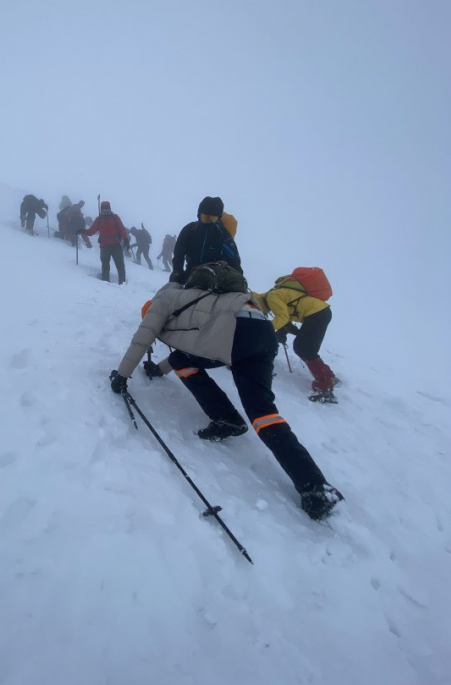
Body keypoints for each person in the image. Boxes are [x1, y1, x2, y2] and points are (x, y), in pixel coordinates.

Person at [108, 275, 343, 520]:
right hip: (261, 332)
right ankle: (315, 488)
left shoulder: (161, 303)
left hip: (236, 336)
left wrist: (122, 376)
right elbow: (190, 349)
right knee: (263, 413)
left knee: (184, 361)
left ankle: (227, 417)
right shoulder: (196, 295)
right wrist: (158, 369)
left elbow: (142, 338)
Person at [253, 280, 336, 400]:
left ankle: (325, 388)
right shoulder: (275, 294)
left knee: (304, 349)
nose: (263, 313)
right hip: (319, 312)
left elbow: (283, 317)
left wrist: (264, 331)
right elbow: (287, 313)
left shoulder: (272, 296)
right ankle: (329, 376)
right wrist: (284, 330)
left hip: (317, 313)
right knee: (304, 348)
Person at [170, 196, 242, 283]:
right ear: (199, 215)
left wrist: (238, 279)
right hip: (190, 274)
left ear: (218, 219)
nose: (208, 222)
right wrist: (177, 272)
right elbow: (178, 254)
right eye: (205, 218)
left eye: (213, 219)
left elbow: (234, 261)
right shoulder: (189, 230)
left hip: (215, 279)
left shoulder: (223, 236)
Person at [82, 200, 130, 284]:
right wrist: (82, 231)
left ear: (110, 208)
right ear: (101, 209)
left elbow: (122, 229)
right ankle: (106, 283)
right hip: (107, 246)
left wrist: (126, 239)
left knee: (118, 265)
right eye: (104, 208)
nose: (106, 210)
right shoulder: (99, 219)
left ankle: (121, 283)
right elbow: (91, 231)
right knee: (107, 266)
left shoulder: (114, 217)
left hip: (113, 246)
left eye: (107, 208)